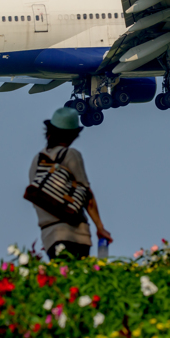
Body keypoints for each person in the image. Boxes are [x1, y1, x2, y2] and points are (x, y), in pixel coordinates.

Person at [29, 108, 112, 260]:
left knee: (61, 272)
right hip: (75, 233)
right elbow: (87, 195)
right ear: (73, 135)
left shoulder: (37, 161)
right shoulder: (71, 155)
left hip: (49, 235)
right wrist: (100, 227)